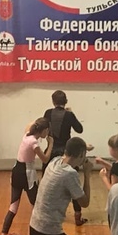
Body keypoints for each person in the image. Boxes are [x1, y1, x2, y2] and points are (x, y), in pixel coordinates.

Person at [0, 117, 50, 235]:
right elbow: (45, 159)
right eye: (47, 130)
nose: (48, 133)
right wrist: (51, 144)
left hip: (16, 172)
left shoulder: (26, 135)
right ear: (43, 130)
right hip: (27, 175)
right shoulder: (34, 142)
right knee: (37, 208)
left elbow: (31, 124)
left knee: (13, 208)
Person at [43, 90, 88, 225]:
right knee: (74, 185)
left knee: (47, 183)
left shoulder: (48, 113)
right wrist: (71, 114)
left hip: (50, 151)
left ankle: (46, 212)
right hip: (66, 153)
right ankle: (77, 216)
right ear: (66, 101)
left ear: (53, 102)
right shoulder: (69, 115)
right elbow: (79, 129)